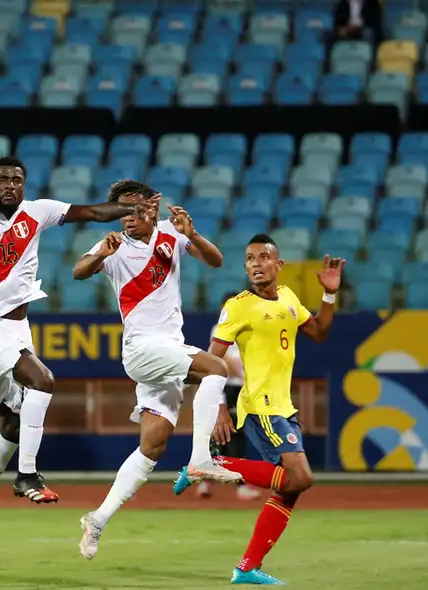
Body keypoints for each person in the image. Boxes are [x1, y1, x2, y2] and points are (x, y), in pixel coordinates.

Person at [0, 156, 146, 544]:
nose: (10, 185)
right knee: (43, 380)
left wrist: (132, 208)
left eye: (17, 179)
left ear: (25, 185)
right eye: (3, 179)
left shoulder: (37, 212)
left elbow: (91, 211)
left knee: (11, 421)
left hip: (20, 328)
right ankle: (26, 473)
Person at [71, 180, 241, 561]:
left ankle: (97, 520)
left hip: (166, 352)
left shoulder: (169, 234)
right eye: (120, 211)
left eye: (134, 209)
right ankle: (200, 459)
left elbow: (216, 261)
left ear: (151, 208)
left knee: (153, 445)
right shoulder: (113, 246)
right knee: (216, 368)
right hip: (142, 348)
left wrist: (191, 233)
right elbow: (78, 272)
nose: (127, 218)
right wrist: (100, 253)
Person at [175, 234, 344, 585]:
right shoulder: (238, 306)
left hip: (283, 406)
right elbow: (209, 362)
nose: (255, 263)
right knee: (301, 478)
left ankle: (247, 567)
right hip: (259, 406)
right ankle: (207, 466)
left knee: (290, 488)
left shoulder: (288, 297)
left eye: (263, 257)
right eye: (250, 258)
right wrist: (220, 406)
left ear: (278, 265)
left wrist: (328, 294)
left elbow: (322, 332)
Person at [197, 291, 261, 501]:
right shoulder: (222, 328)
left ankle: (209, 481)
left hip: (237, 387)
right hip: (228, 388)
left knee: (229, 434)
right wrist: (245, 378)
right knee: (228, 434)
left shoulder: (248, 327)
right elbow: (226, 361)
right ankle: (237, 484)